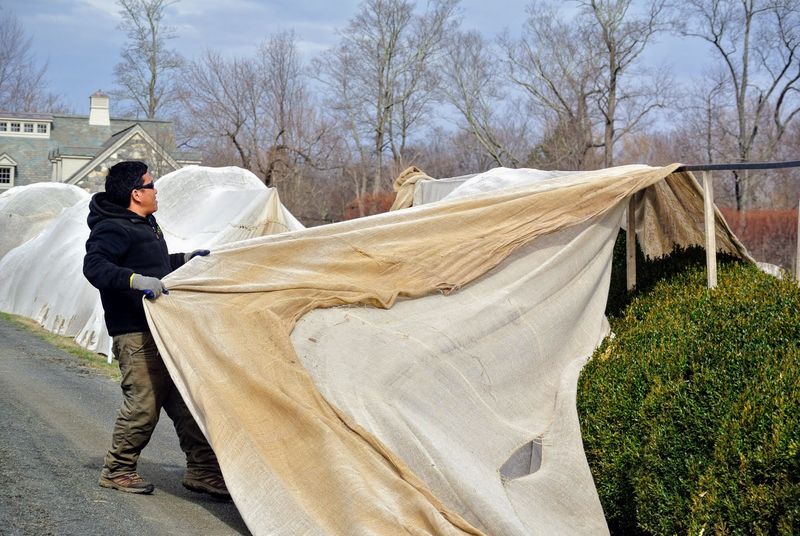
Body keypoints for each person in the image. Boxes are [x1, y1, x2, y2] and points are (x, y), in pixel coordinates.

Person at [83, 160, 228, 499]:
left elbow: (155, 267)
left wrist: (184, 260)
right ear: (136, 193)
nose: (156, 190)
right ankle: (117, 470)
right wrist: (135, 281)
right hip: (135, 333)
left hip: (162, 329)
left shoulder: (146, 224)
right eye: (151, 185)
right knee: (143, 405)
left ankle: (203, 471)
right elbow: (95, 267)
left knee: (187, 403)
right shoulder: (112, 227)